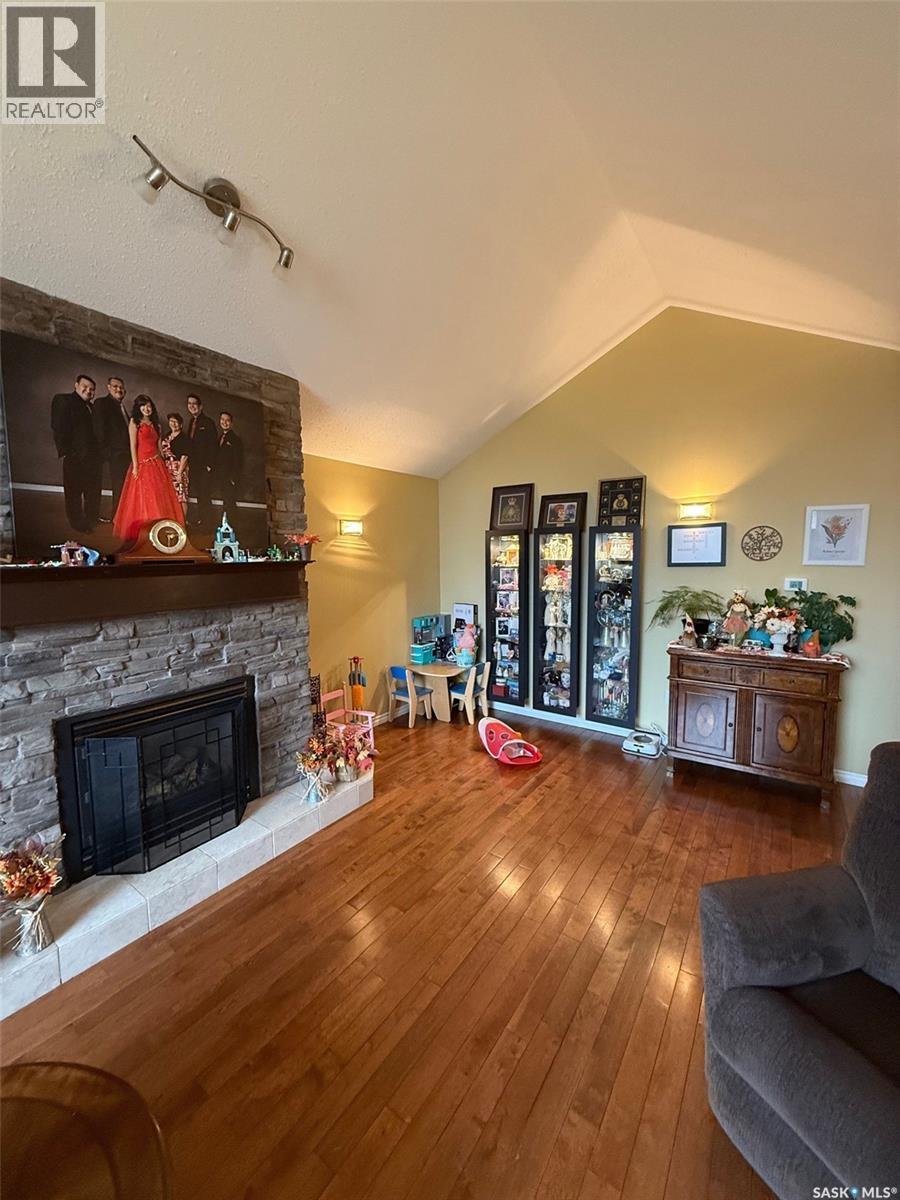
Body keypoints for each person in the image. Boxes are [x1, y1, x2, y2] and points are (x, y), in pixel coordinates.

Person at [113, 395, 183, 542]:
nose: (147, 409)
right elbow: (133, 445)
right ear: (139, 408)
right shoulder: (135, 422)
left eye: (149, 406)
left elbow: (158, 446)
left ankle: (159, 529)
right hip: (142, 463)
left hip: (156, 463)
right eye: (143, 406)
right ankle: (145, 530)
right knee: (143, 496)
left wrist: (166, 462)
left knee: (159, 495)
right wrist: (136, 466)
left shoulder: (156, 424)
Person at [50, 373, 101, 532]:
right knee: (74, 492)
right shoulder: (63, 400)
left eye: (92, 389)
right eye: (85, 387)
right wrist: (70, 451)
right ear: (76, 385)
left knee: (93, 491)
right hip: (75, 457)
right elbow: (58, 427)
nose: (88, 391)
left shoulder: (93, 407)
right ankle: (78, 523)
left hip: (94, 457)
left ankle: (92, 519)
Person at [93, 376, 131, 519]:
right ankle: (117, 517)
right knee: (119, 486)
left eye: (121, 387)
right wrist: (107, 452)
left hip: (126, 453)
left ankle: (123, 516)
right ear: (108, 387)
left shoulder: (121, 406)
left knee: (124, 487)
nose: (118, 389)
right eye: (115, 386)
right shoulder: (102, 403)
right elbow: (99, 429)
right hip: (115, 454)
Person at [185, 394, 216, 529]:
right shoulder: (191, 422)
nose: (191, 406)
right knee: (198, 493)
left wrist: (209, 465)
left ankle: (207, 524)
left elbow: (212, 445)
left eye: (194, 403)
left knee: (204, 494)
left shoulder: (208, 422)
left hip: (204, 466)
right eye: (189, 403)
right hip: (194, 465)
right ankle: (202, 521)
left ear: (200, 406)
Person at [213, 410, 243, 526]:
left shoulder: (235, 439)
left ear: (231, 423)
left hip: (229, 478)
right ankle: (225, 524)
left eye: (227, 420)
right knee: (226, 501)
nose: (224, 422)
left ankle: (232, 526)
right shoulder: (220, 437)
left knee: (230, 502)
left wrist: (233, 478)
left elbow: (238, 461)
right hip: (220, 476)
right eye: (222, 420)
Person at [161, 412, 190, 519]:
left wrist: (180, 473)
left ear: (181, 424)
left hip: (178, 467)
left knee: (181, 496)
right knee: (170, 495)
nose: (174, 424)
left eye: (176, 422)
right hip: (167, 466)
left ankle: (182, 522)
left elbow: (185, 455)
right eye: (171, 421)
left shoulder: (184, 438)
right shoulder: (167, 436)